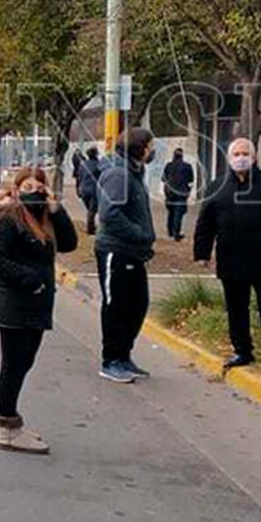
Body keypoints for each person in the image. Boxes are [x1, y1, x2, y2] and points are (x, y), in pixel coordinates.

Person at [0, 166, 78, 454]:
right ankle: (8, 426)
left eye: (40, 187)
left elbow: (71, 244)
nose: (34, 191)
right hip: (15, 304)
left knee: (23, 364)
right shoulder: (7, 219)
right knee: (14, 365)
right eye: (28, 187)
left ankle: (4, 421)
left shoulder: (44, 219)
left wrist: (56, 208)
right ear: (16, 188)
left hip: (37, 306)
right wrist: (31, 279)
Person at [193, 138, 261, 371]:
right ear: (229, 159)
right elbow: (206, 221)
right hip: (231, 260)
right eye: (236, 154)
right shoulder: (217, 186)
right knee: (236, 308)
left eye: (245, 153)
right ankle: (242, 351)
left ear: (254, 157)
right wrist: (202, 252)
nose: (241, 158)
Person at [95, 127, 157, 383]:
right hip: (115, 251)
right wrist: (139, 234)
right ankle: (111, 360)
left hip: (133, 253)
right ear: (140, 147)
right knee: (116, 307)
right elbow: (109, 215)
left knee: (137, 304)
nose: (153, 151)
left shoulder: (133, 172)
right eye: (151, 146)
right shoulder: (118, 174)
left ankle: (124, 355)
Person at [162, 148, 194, 241]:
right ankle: (176, 233)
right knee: (178, 213)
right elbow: (190, 181)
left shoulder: (168, 166)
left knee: (171, 212)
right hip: (181, 192)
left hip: (170, 193)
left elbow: (163, 179)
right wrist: (188, 192)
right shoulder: (187, 166)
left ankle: (170, 232)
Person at [77, 146, 102, 235]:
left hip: (84, 189)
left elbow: (79, 177)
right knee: (92, 210)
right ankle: (90, 229)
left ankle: (91, 226)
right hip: (94, 190)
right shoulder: (99, 164)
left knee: (90, 210)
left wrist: (79, 189)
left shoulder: (83, 164)